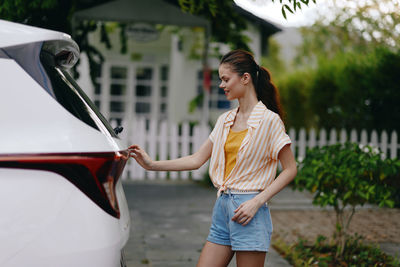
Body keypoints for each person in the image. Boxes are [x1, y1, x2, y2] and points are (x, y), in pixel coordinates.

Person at [129, 49, 297, 267]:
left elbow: (290, 169)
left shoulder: (269, 121)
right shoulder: (225, 120)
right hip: (223, 207)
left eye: (226, 79)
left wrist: (257, 202)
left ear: (245, 78)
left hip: (249, 211)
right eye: (221, 80)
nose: (221, 85)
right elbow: (197, 159)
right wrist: (151, 165)